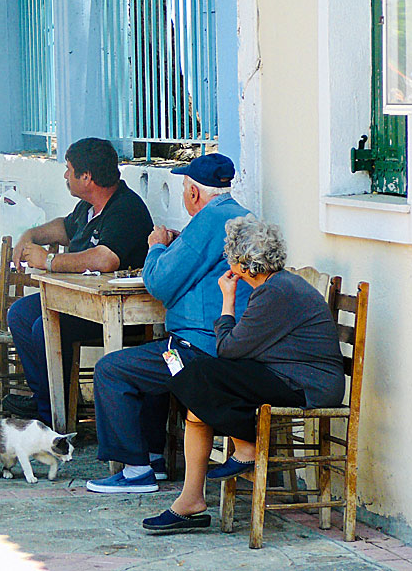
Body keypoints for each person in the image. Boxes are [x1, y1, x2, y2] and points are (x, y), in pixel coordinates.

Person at [142, 215, 345, 532]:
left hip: (307, 387)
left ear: (244, 264)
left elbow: (228, 348)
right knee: (199, 395)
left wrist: (226, 299)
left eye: (232, 257)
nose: (228, 261)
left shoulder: (275, 293)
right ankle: (191, 499)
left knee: (199, 370)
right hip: (287, 376)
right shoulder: (276, 287)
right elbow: (239, 350)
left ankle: (245, 447)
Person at [86, 153, 252, 494]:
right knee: (152, 361)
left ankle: (135, 472)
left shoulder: (208, 221)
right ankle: (152, 458)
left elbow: (159, 282)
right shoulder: (240, 215)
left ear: (193, 193)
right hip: (226, 344)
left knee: (113, 369)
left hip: (201, 350)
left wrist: (156, 247)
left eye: (184, 189)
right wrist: (177, 246)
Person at [3, 137, 154, 425]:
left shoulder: (126, 209)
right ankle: (45, 400)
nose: (65, 176)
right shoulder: (87, 207)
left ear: (87, 177)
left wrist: (48, 261)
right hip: (77, 301)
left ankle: (53, 418)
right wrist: (30, 236)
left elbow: (105, 259)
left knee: (42, 327)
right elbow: (64, 227)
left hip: (113, 310)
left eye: (70, 170)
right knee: (21, 314)